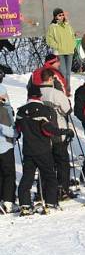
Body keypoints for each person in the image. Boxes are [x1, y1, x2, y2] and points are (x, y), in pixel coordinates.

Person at [15, 86, 72, 215]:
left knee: (27, 178)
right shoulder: (45, 110)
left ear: (28, 96)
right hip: (43, 150)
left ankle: (25, 204)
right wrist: (65, 131)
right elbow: (48, 130)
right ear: (40, 96)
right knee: (50, 177)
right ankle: (51, 202)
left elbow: (17, 130)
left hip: (28, 151)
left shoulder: (21, 111)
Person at [39, 69, 76, 200]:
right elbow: (67, 110)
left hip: (41, 134)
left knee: (46, 164)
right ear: (50, 79)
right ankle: (63, 189)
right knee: (62, 163)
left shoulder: (36, 94)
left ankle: (45, 190)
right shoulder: (56, 93)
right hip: (58, 131)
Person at [46, 8, 76, 86]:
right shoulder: (52, 27)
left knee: (68, 73)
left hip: (69, 51)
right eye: (60, 15)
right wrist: (57, 46)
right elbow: (49, 39)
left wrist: (73, 45)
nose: (62, 16)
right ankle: (62, 88)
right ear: (55, 16)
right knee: (63, 73)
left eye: (63, 15)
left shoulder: (67, 25)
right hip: (59, 53)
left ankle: (67, 89)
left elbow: (73, 36)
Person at [0, 85, 16, 213]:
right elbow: (8, 130)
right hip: (5, 146)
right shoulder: (3, 110)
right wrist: (16, 133)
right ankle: (8, 202)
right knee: (9, 174)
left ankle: (2, 199)